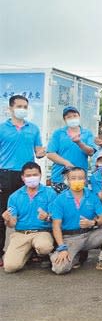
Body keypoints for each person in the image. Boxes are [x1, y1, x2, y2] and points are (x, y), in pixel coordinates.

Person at [0, 94, 45, 266]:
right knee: (4, 213)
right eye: (19, 106)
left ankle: (33, 251)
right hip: (5, 174)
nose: (22, 109)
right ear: (10, 108)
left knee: (31, 210)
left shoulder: (33, 128)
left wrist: (43, 152)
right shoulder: (2, 128)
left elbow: (38, 150)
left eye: (25, 107)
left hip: (28, 174)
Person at [50, 167, 102, 273]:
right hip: (70, 238)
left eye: (80, 178)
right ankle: (65, 255)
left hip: (89, 235)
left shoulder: (92, 196)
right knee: (59, 269)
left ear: (85, 180)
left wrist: (93, 222)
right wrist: (62, 248)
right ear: (67, 180)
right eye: (73, 178)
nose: (77, 181)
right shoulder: (60, 200)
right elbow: (56, 226)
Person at [2, 162, 56, 273]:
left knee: (44, 247)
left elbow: (56, 217)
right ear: (22, 177)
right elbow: (12, 224)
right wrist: (7, 220)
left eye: (35, 175)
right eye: (28, 175)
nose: (32, 178)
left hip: (42, 232)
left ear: (40, 175)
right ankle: (28, 252)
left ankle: (40, 253)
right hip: (21, 233)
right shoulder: (14, 196)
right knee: (10, 267)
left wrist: (47, 217)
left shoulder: (50, 193)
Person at [46, 106, 96, 192]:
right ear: (64, 120)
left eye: (74, 115)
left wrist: (79, 142)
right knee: (59, 204)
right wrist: (66, 163)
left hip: (80, 178)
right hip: (60, 178)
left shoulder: (87, 133)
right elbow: (50, 154)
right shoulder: (58, 133)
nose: (72, 118)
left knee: (78, 204)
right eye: (69, 117)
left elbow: (91, 152)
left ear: (79, 117)